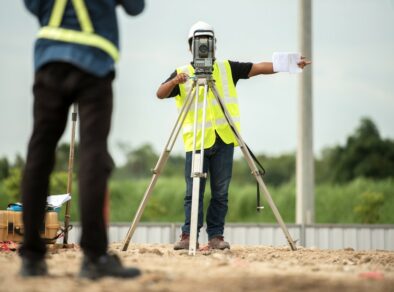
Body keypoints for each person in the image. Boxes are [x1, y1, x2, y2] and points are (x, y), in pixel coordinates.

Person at [156, 21, 311, 251]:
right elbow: (160, 93)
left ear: (214, 45)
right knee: (193, 192)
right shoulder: (182, 74)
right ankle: (188, 235)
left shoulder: (227, 68)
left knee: (220, 192)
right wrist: (174, 82)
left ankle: (215, 237)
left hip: (225, 140)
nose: (204, 48)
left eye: (207, 43)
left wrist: (289, 64)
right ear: (191, 46)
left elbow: (258, 68)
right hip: (196, 142)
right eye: (199, 43)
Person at [20, 0, 144, 278]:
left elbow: (31, 4)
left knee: (39, 154)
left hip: (49, 59)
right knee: (93, 154)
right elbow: (136, 7)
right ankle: (94, 257)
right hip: (95, 66)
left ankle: (31, 258)